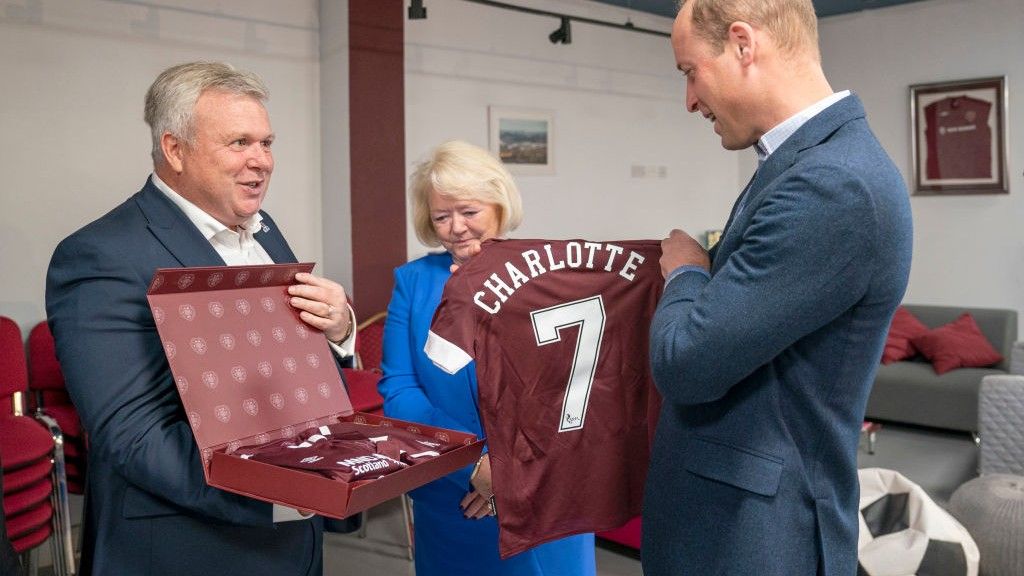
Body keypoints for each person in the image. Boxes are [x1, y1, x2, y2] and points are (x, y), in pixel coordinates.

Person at [45, 61, 358, 576]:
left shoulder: (263, 229)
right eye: (239, 143)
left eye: (267, 142)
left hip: (293, 534)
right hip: (187, 542)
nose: (262, 161)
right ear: (175, 149)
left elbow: (293, 370)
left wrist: (340, 329)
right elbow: (133, 437)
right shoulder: (100, 254)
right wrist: (282, 495)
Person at [644, 1, 912, 575]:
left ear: (744, 45)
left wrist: (688, 270)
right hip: (737, 523)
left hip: (759, 538)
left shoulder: (832, 184)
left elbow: (686, 361)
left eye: (690, 72)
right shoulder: (802, 165)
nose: (689, 99)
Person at [378, 140, 596, 576]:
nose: (456, 227)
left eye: (469, 211)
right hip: (453, 495)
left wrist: (513, 472)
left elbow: (578, 387)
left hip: (544, 490)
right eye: (442, 216)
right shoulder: (413, 282)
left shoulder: (548, 275)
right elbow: (399, 389)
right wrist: (475, 462)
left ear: (498, 204)